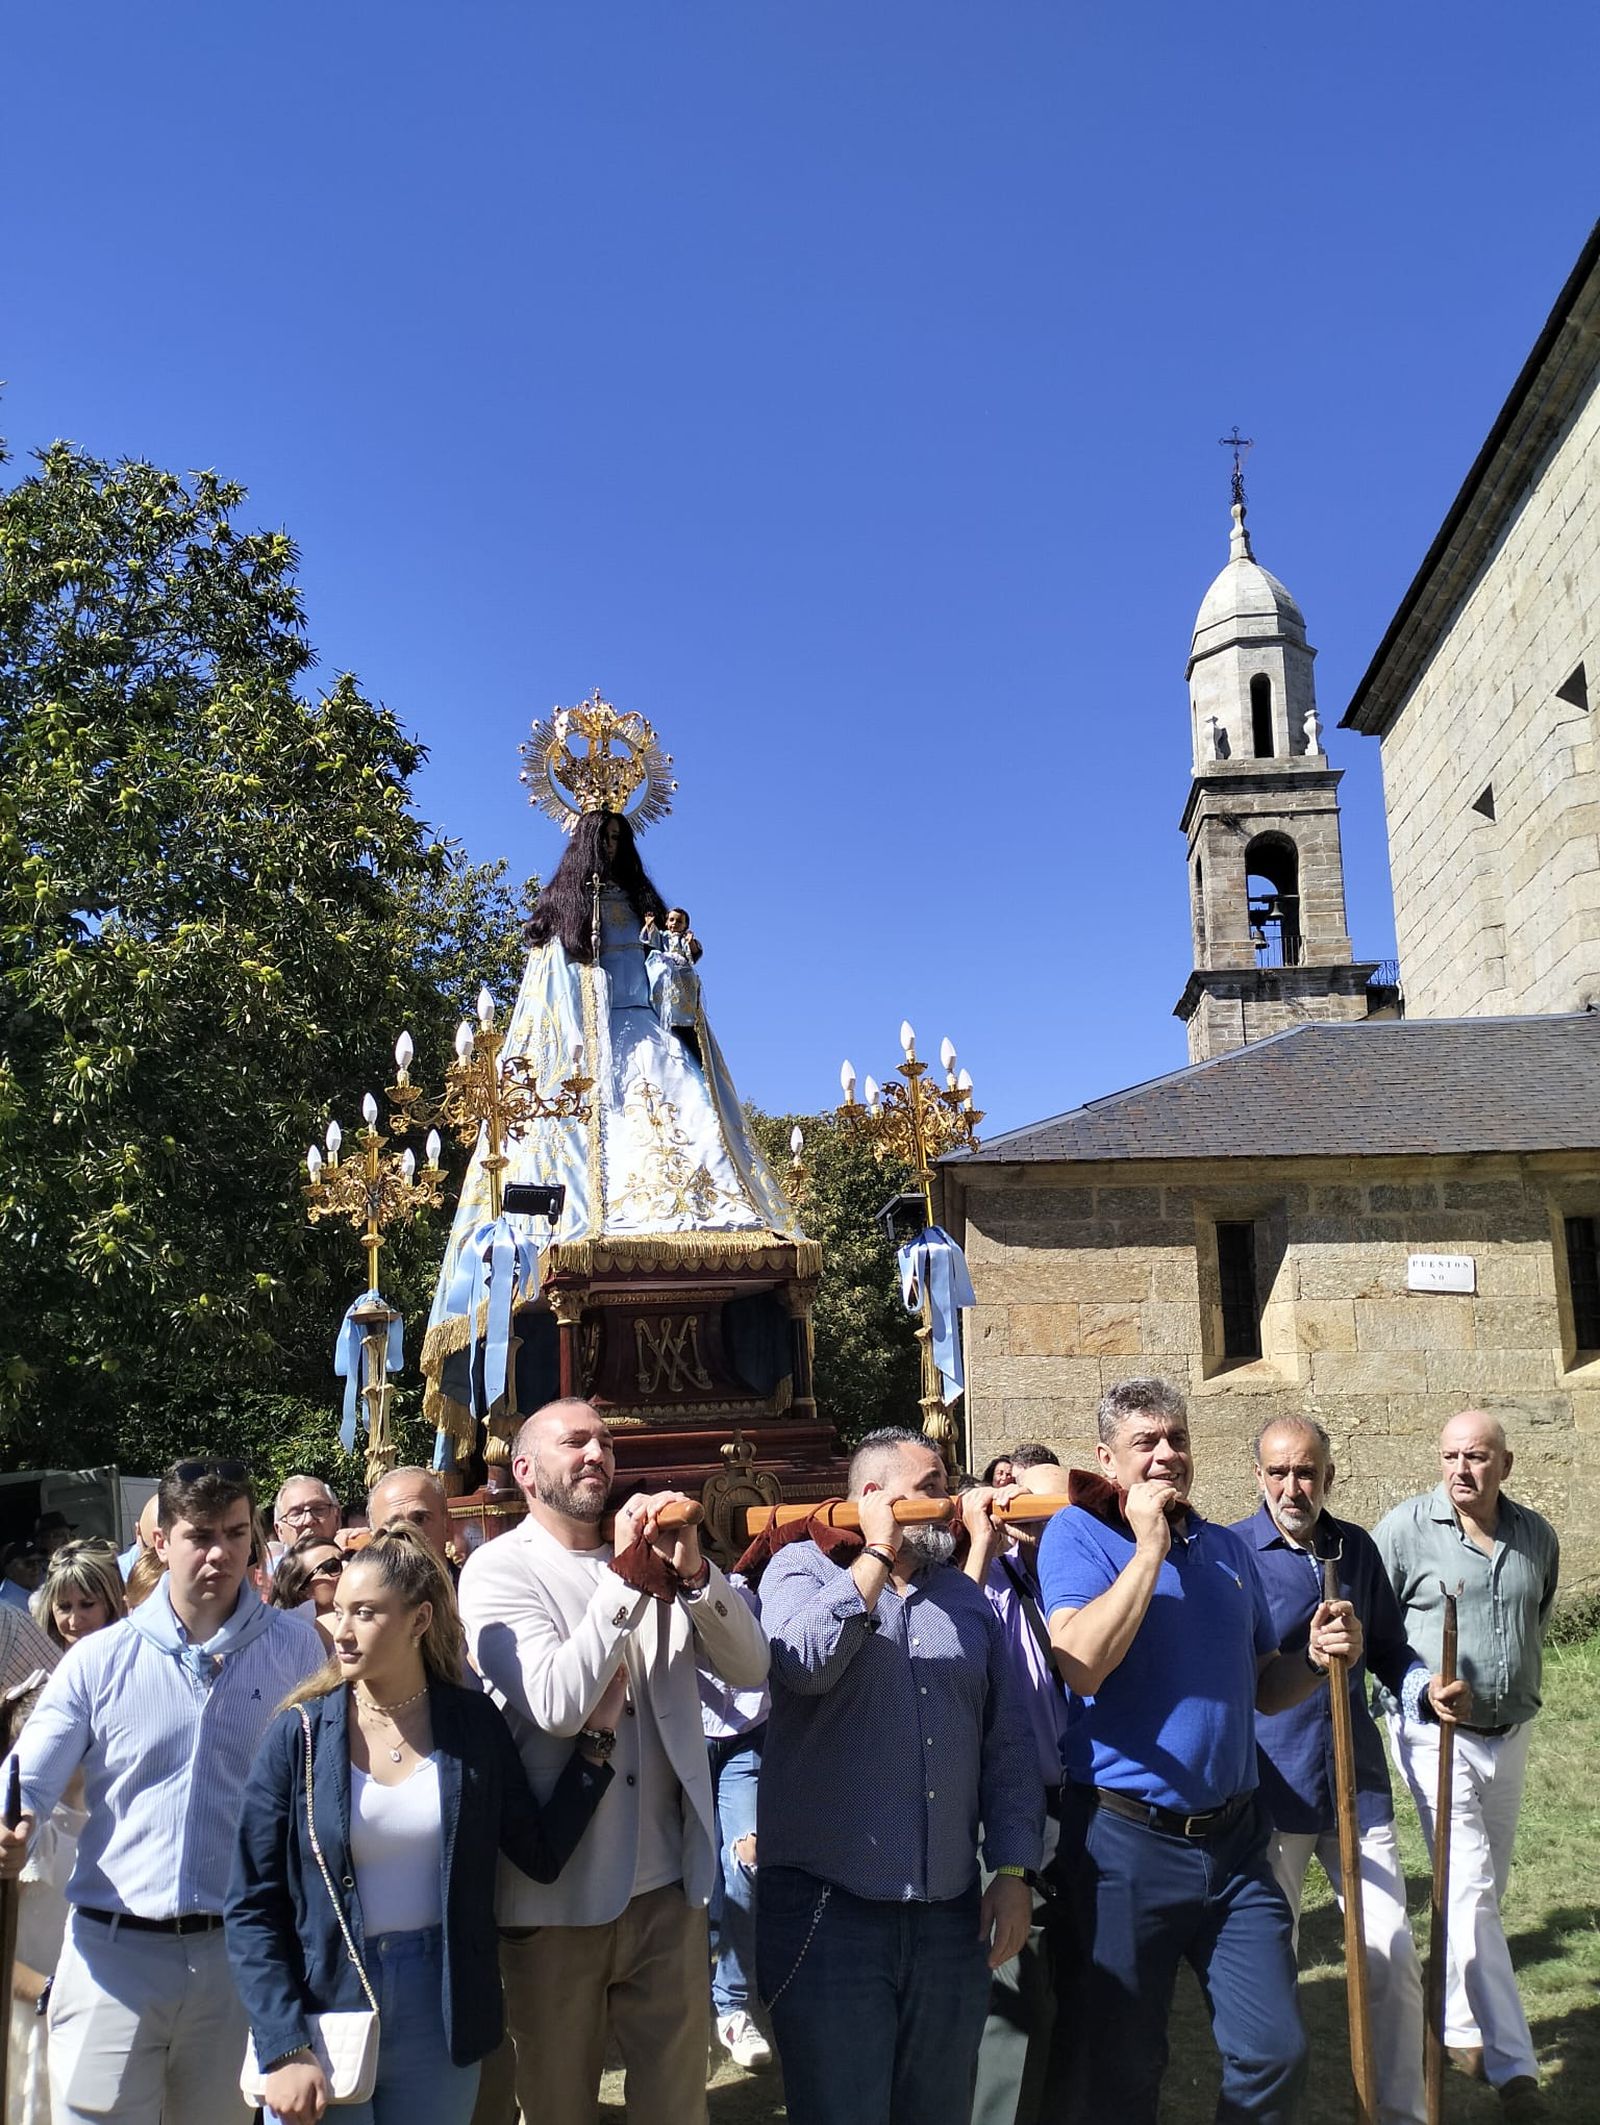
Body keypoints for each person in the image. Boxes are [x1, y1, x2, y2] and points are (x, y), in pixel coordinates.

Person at [423, 793, 799, 1460]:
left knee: (700, 1172)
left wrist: (677, 955)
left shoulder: (650, 915)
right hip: (579, 1074)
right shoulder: (558, 926)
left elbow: (675, 1005)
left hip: (650, 1049)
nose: (614, 853)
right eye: (604, 840)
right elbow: (544, 1020)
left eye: (622, 841)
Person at [1038, 1378, 1362, 2125]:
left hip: (1235, 1844)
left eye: (1176, 1438)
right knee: (1122, 2064)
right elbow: (1082, 1662)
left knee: (1274, 2049)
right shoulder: (1078, 1536)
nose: (1165, 1455)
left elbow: (1260, 1686)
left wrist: (1311, 1658)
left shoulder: (1225, 1550)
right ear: (1106, 1459)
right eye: (1145, 1442)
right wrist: (1148, 1547)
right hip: (1125, 1845)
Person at [226, 1526, 620, 2125]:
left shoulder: (471, 1724)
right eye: (337, 1613)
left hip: (443, 2003)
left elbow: (538, 1853)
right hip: (327, 1997)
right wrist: (282, 2042)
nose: (343, 1631)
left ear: (418, 1620)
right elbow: (253, 1903)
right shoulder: (299, 1735)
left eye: (365, 1613)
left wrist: (595, 1746)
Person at [457, 1397, 769, 2125]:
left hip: (670, 1890)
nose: (597, 1453)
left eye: (604, 1441)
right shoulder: (498, 1571)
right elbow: (561, 1704)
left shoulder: (659, 1558)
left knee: (676, 2108)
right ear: (526, 1470)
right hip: (559, 1899)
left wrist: (695, 1576)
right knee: (560, 2107)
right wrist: (626, 1577)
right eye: (576, 1442)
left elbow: (752, 1668)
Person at [0, 1456, 326, 2125]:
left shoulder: (297, 1649)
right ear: (160, 1540)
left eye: (237, 1533)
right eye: (201, 1534)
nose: (221, 1552)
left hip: (238, 1960)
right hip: (112, 1957)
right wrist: (10, 1821)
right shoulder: (100, 1657)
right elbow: (24, 1777)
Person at [756, 1427, 1042, 2125]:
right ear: (874, 1497)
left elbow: (1006, 1748)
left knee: (939, 2108)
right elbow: (803, 1663)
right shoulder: (798, 1570)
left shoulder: (968, 1601)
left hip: (948, 1916)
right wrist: (877, 1553)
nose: (948, 1504)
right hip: (830, 1915)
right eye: (932, 1488)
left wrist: (1011, 1871)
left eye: (946, 1486)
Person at [1232, 1418, 1469, 2125]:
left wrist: (1422, 1686)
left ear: (1329, 1475)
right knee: (1275, 1964)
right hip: (1269, 1787)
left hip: (1353, 1780)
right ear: (1258, 1477)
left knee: (1391, 1953)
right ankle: (1273, 2107)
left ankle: (1399, 2110)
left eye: (1306, 1472)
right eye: (1278, 1472)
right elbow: (1238, 1672)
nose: (1291, 1487)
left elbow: (1392, 1649)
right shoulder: (1234, 1554)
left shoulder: (1354, 1548)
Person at [1374, 1412, 1559, 2112]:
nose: (1461, 1468)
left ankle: (1455, 2021)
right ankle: (1517, 2069)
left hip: (1509, 1733)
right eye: (1450, 1454)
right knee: (1472, 1886)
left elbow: (1535, 1613)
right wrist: (1417, 1697)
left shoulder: (1535, 1533)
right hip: (1434, 1734)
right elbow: (1381, 1627)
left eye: (1477, 1456)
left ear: (1504, 1464)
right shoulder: (1404, 1529)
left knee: (1480, 1889)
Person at [965, 1456, 1073, 2125]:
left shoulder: (1080, 1572)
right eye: (1023, 1505)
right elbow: (946, 1634)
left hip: (1090, 1802)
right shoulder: (983, 1583)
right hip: (1015, 1808)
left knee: (1083, 1986)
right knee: (1018, 1983)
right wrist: (983, 1543)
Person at [698, 1576, 772, 2073]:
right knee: (692, 1869)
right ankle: (684, 1998)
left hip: (744, 1733)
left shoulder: (751, 1583)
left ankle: (731, 2004)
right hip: (681, 1731)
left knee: (747, 1857)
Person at [32, 1542, 128, 1654]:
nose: (74, 1621)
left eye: (87, 1604)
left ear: (112, 1601)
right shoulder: (35, 1658)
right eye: (64, 1607)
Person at [268, 1533, 346, 1650]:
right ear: (303, 1590)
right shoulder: (293, 1643)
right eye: (332, 1566)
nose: (347, 1566)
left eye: (350, 1557)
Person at [367, 1467, 453, 1562]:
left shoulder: (468, 1576)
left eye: (420, 1520)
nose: (408, 1533)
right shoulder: (352, 1574)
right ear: (374, 1540)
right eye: (394, 1526)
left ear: (447, 1526)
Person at [272, 1476, 342, 1554]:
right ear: (279, 1531)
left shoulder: (354, 1563)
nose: (309, 1520)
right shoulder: (266, 1566)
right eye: (296, 1514)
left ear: (337, 1518)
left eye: (319, 1509)